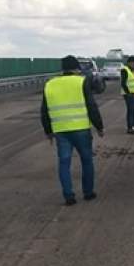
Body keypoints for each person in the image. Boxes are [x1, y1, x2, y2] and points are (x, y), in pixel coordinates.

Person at [41, 54, 104, 205]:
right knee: (87, 161)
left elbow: (44, 110)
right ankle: (88, 193)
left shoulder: (50, 84)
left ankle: (68, 196)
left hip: (61, 131)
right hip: (81, 128)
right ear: (77, 68)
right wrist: (99, 126)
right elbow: (91, 106)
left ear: (62, 69)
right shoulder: (81, 82)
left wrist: (48, 131)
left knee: (64, 163)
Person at [120, 55, 134, 134]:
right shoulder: (124, 70)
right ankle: (130, 128)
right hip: (128, 94)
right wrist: (128, 93)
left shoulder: (133, 70)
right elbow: (123, 83)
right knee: (131, 111)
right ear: (130, 63)